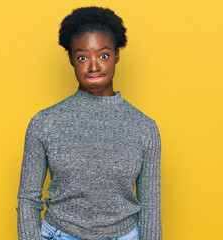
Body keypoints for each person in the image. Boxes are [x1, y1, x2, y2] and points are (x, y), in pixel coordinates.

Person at [17, 6, 161, 240]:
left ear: (117, 55)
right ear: (72, 59)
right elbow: (28, 198)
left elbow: (151, 205)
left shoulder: (144, 128)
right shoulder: (44, 123)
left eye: (103, 55)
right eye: (83, 56)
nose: (94, 66)